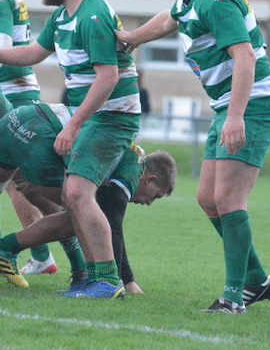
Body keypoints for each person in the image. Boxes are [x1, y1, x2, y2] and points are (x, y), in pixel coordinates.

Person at [116, 0, 270, 313]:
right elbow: (168, 20)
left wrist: (236, 116)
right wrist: (131, 38)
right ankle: (257, 280)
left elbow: (244, 57)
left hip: (253, 105)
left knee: (228, 197)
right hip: (227, 105)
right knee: (207, 198)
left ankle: (234, 297)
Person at [0, 0, 141, 299]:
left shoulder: (92, 16)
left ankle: (107, 281)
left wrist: (73, 124)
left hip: (112, 118)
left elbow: (108, 78)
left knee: (77, 193)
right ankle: (91, 275)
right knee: (71, 194)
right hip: (94, 116)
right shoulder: (64, 16)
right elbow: (32, 53)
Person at [0, 103, 176, 293]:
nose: (149, 203)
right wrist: (128, 280)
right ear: (150, 180)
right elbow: (114, 225)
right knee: (80, 213)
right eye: (155, 196)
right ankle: (87, 276)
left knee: (78, 209)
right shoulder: (135, 166)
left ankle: (78, 272)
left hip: (17, 118)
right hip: (40, 132)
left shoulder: (124, 153)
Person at [0, 0, 59, 276]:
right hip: (18, 91)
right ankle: (42, 255)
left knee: (21, 180)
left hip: (12, 93)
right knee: (19, 181)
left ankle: (45, 254)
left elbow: (3, 46)